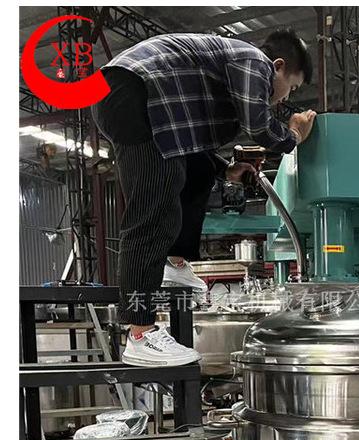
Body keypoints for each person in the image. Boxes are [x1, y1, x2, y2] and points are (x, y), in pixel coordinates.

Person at [92, 29, 316, 366]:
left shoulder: (222, 73)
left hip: (145, 98)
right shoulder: (255, 62)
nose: (286, 98)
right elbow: (259, 127)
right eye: (292, 87)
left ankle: (174, 263)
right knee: (153, 208)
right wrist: (294, 135)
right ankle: (139, 333)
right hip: (130, 91)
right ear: (279, 66)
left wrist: (226, 170)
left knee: (196, 171)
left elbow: (193, 143)